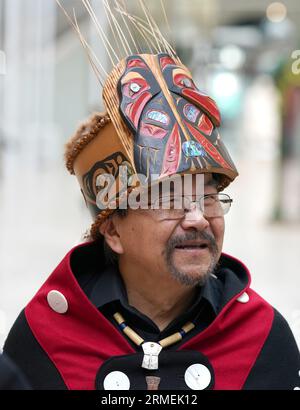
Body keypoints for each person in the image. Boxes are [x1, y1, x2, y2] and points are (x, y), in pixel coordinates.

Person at [3, 3, 300, 390]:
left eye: (209, 198)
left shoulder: (263, 339)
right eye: (171, 200)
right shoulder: (44, 337)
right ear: (112, 229)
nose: (197, 219)